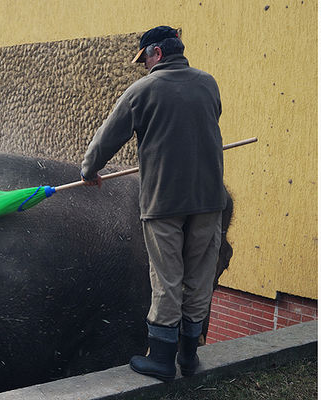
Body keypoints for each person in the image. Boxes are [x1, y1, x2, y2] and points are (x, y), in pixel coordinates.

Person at [79, 25, 225, 381]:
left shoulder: (143, 90)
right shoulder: (208, 84)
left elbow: (107, 137)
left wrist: (89, 170)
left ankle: (161, 359)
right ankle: (189, 357)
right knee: (199, 277)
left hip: (164, 203)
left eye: (143, 58)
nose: (143, 65)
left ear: (156, 52)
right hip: (209, 200)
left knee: (167, 278)